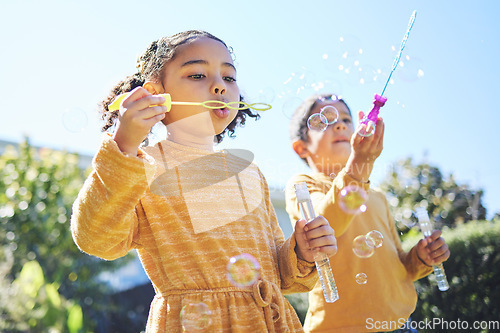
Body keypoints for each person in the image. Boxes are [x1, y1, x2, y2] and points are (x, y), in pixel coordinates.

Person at [70, 30, 337, 332]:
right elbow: (96, 238)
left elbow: (277, 273)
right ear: (155, 92)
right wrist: (123, 146)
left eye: (229, 77)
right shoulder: (139, 167)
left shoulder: (248, 173)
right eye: (197, 75)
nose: (219, 86)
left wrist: (301, 252)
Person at [285, 93, 450, 332]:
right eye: (326, 120)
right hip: (340, 327)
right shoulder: (303, 184)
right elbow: (323, 227)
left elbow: (401, 267)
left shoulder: (378, 197)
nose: (340, 124)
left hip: (400, 324)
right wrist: (358, 166)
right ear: (301, 147)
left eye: (345, 119)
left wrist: (421, 258)